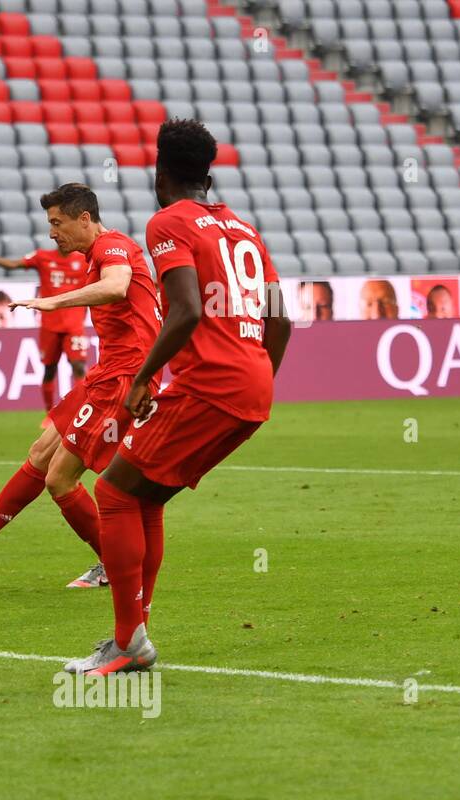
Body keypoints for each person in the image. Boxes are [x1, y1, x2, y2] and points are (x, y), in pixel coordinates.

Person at [63, 118, 290, 676]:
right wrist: (259, 371)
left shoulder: (168, 222)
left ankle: (127, 643)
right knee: (146, 499)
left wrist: (143, 379)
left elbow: (186, 310)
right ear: (207, 172)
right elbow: (281, 316)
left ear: (159, 170)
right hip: (252, 384)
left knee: (113, 493)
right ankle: (134, 632)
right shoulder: (243, 229)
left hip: (209, 384)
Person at [0, 183, 161, 589]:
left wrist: (54, 301)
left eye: (58, 222)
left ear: (84, 219)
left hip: (127, 377)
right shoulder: (95, 254)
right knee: (40, 451)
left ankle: (114, 563)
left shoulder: (112, 247)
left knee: (60, 479)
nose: (52, 232)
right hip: (106, 373)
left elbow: (118, 284)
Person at [0, 243, 90, 408]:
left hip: (74, 326)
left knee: (79, 367)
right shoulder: (42, 256)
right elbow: (15, 264)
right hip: (49, 326)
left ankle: (82, 410)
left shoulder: (84, 259)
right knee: (50, 370)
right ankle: (50, 414)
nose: (58, 236)